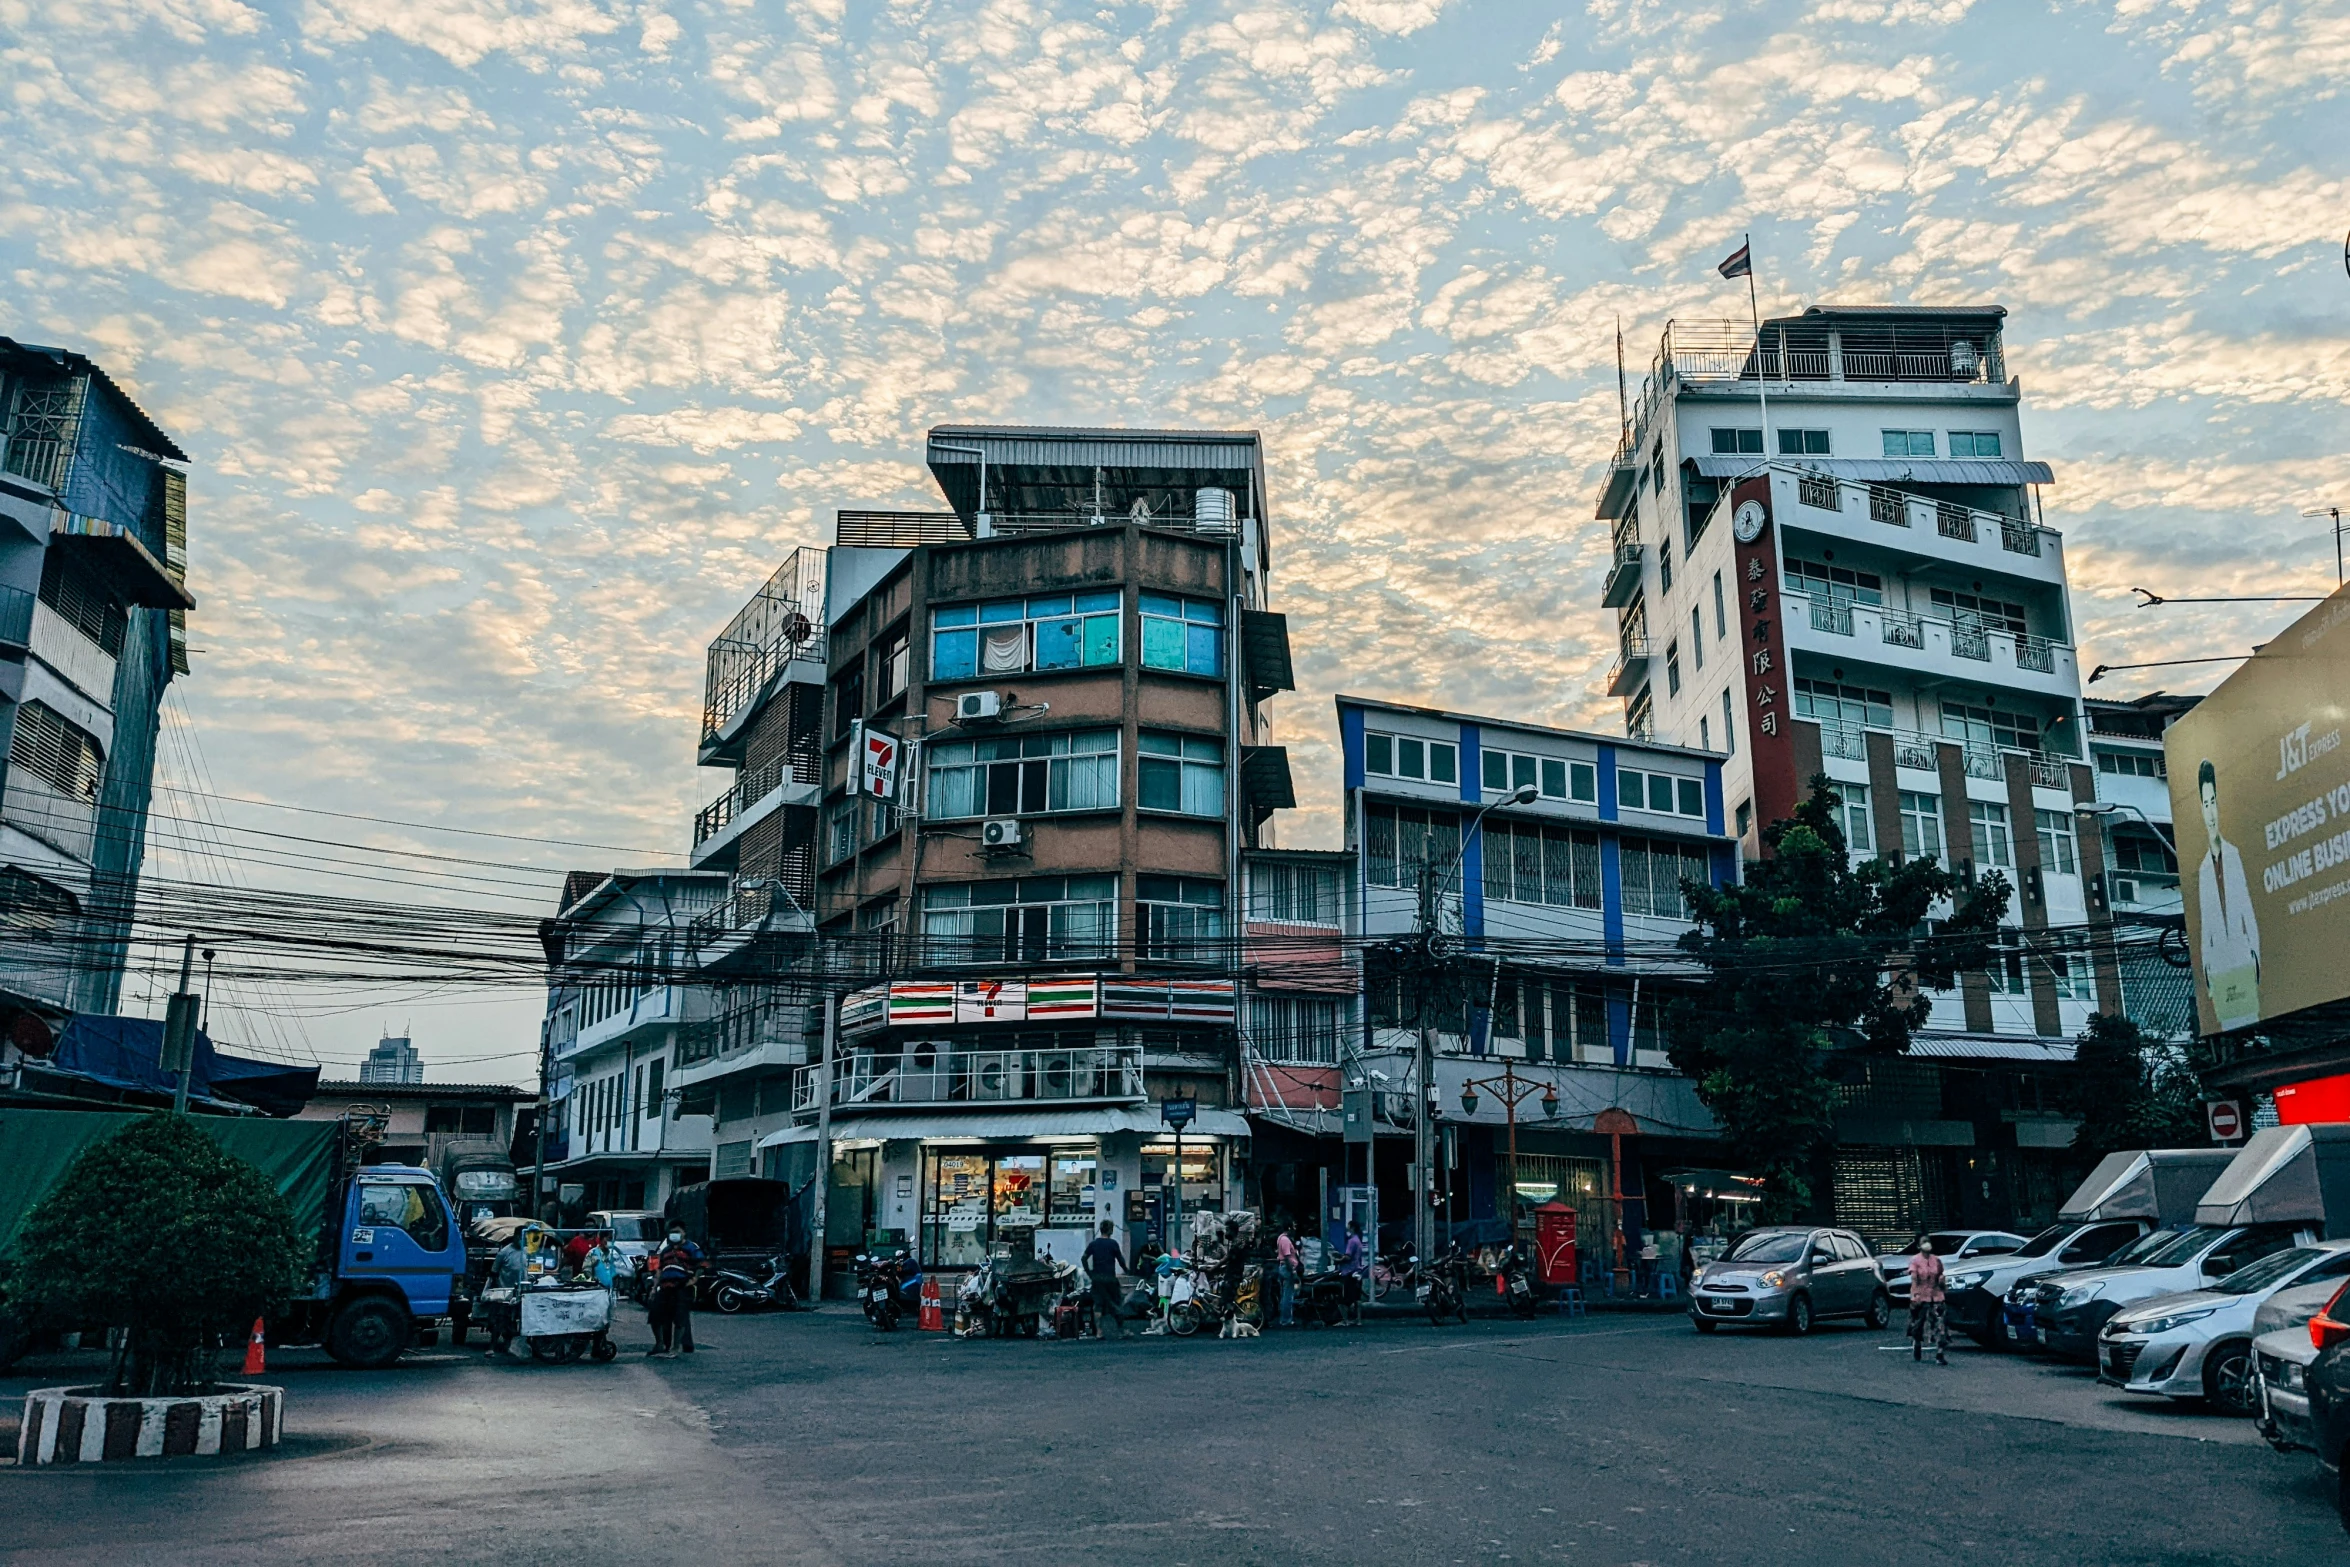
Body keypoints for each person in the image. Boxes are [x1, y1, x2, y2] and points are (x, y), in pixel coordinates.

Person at [2195, 759, 2262, 1031]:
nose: (2211, 813)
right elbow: (2204, 930)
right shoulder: (2201, 870)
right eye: (2206, 805)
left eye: (2214, 803)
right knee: (2228, 1029)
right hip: (2219, 966)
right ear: (2201, 808)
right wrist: (2208, 976)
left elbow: (2249, 911)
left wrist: (2255, 960)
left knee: (2252, 1027)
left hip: (2243, 957)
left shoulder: (2234, 856)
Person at [647, 1225, 705, 1358]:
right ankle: (659, 1344)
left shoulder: (691, 1248)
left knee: (679, 1317)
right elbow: (659, 1269)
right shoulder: (666, 1250)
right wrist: (654, 1288)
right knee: (655, 1315)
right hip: (665, 1287)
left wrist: (694, 1279)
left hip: (682, 1286)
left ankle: (675, 1348)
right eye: (672, 1232)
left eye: (677, 1232)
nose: (674, 1235)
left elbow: (702, 1263)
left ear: (684, 1233)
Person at [1082, 1221, 1127, 1340]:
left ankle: (1099, 1332)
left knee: (1098, 1305)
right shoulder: (1113, 1244)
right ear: (1110, 1230)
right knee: (1117, 1302)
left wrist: (1089, 1273)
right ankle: (1120, 1331)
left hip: (1097, 1279)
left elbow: (1084, 1258)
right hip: (1110, 1278)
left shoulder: (1094, 1244)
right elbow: (1120, 1260)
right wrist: (1127, 1270)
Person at [1907, 1241, 1949, 1365]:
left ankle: (1940, 1353)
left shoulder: (1936, 1260)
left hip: (1936, 1297)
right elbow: (1914, 1279)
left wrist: (1942, 1283)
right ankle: (1917, 1343)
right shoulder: (1915, 1260)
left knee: (1940, 1325)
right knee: (1918, 1325)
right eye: (1923, 1242)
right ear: (1919, 1246)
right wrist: (1915, 1295)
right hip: (1921, 1297)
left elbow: (1941, 1277)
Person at [1337, 1219, 1367, 1325]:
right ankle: (1358, 1320)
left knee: (1343, 1298)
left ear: (1352, 1228)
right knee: (1357, 1298)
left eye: (1349, 1226)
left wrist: (1337, 1259)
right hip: (1357, 1271)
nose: (1347, 1228)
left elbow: (1348, 1257)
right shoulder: (1358, 1240)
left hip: (1349, 1272)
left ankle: (1346, 1320)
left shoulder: (1351, 1241)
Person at [1274, 1223, 1301, 1328]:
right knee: (1288, 1295)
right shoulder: (1285, 1240)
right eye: (1293, 1226)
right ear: (1288, 1228)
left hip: (1284, 1268)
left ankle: (1284, 1318)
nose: (1294, 1229)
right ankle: (1286, 1320)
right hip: (1287, 1268)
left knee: (1285, 1293)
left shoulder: (1281, 1238)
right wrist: (1293, 1271)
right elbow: (1287, 1257)